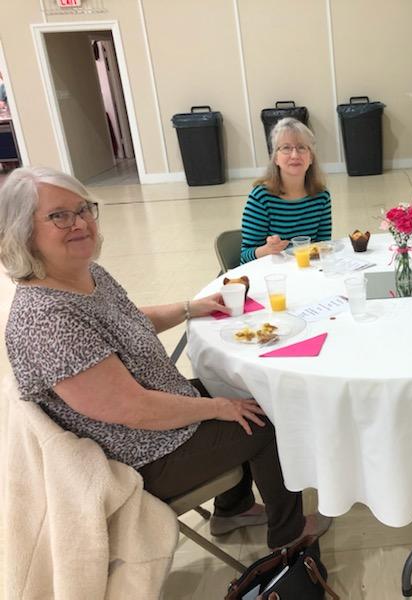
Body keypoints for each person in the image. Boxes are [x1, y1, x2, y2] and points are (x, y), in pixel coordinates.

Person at [0, 167, 330, 550]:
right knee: (264, 421)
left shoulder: (84, 274)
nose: (80, 223)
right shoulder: (47, 318)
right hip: (138, 453)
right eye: (59, 215)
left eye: (84, 209)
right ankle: (289, 535)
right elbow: (131, 409)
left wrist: (192, 307)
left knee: (246, 388)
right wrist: (219, 408)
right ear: (23, 231)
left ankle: (233, 507)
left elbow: (127, 322)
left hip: (159, 417)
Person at [240, 117, 332, 264]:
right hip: (270, 272)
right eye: (286, 148)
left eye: (301, 147)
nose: (295, 155)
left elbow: (322, 246)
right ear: (275, 158)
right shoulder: (261, 197)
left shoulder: (321, 196)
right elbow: (245, 256)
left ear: (311, 158)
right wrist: (267, 249)